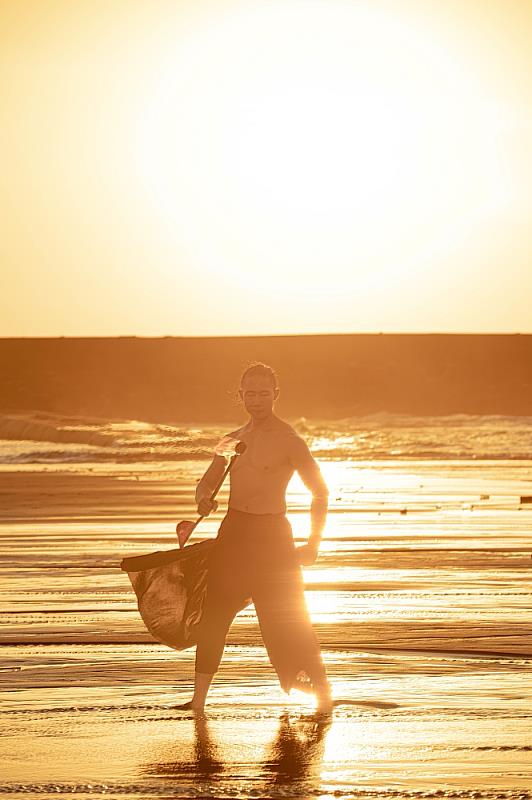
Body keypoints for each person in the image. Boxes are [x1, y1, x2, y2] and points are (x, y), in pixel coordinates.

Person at [178, 362, 332, 714]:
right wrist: (203, 499)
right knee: (214, 615)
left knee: (288, 617)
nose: (256, 400)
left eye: (264, 393)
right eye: (250, 393)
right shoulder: (231, 440)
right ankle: (198, 700)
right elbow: (206, 482)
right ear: (241, 395)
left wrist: (314, 542)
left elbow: (320, 492)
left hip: (273, 536)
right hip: (234, 531)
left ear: (276, 395)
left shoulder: (289, 441)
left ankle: (321, 693)